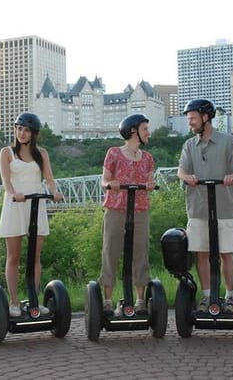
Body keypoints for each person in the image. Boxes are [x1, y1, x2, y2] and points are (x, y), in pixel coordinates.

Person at [177, 99, 233, 313]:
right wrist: (186, 177)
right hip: (198, 208)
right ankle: (206, 297)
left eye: (193, 119)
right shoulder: (189, 145)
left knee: (226, 253)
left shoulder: (228, 143)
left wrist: (232, 177)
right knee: (201, 253)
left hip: (223, 207)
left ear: (206, 117)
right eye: (189, 119)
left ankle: (231, 297)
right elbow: (181, 170)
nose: (190, 123)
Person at [0, 112, 63, 317]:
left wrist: (54, 191)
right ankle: (14, 302)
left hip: (36, 203)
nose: (21, 133)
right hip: (16, 204)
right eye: (18, 129)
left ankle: (33, 299)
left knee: (35, 256)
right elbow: (6, 180)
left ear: (33, 133)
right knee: (14, 256)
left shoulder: (41, 153)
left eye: (25, 130)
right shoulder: (6, 152)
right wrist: (13, 193)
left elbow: (49, 178)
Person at [99, 113, 156, 315]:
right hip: (115, 209)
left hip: (140, 210)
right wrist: (110, 184)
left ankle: (140, 300)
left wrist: (150, 185)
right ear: (134, 131)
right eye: (145, 129)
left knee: (141, 253)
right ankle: (107, 300)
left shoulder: (148, 158)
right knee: (111, 251)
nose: (148, 133)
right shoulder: (114, 153)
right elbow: (103, 180)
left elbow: (150, 180)